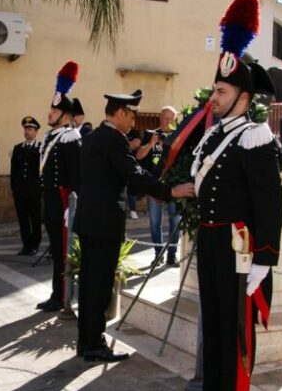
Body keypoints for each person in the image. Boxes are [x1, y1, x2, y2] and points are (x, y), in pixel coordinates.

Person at [180, 0, 282, 391]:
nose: (214, 98)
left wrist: (264, 258)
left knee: (236, 325)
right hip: (211, 238)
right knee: (215, 320)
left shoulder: (255, 137)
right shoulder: (215, 135)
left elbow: (270, 203)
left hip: (241, 246)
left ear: (243, 96)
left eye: (221, 92)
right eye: (215, 90)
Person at [74, 90, 195, 363]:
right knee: (100, 286)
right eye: (131, 116)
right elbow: (134, 174)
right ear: (119, 113)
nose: (133, 122)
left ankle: (86, 341)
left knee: (89, 285)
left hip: (90, 221)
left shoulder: (92, 138)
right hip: (104, 224)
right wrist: (170, 191)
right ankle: (94, 345)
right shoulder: (114, 140)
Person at [38, 61, 82, 313]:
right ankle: (56, 292)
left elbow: (76, 176)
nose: (50, 113)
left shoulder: (69, 138)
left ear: (65, 116)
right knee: (55, 249)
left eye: (55, 111)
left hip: (63, 199)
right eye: (51, 110)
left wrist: (72, 206)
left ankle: (63, 294)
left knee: (62, 248)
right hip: (50, 198)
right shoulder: (52, 136)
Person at [136, 106, 182, 266]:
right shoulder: (150, 134)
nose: (166, 121)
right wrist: (151, 144)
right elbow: (139, 155)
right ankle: (158, 254)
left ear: (174, 119)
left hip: (174, 186)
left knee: (175, 222)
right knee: (155, 222)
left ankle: (172, 255)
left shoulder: (180, 135)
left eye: (169, 119)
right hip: (154, 185)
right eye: (163, 118)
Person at [10, 117, 42, 256]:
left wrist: (40, 189)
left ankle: (34, 245)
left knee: (35, 219)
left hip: (34, 191)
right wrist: (14, 188)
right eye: (26, 129)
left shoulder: (40, 148)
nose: (27, 132)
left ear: (36, 131)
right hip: (20, 191)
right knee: (23, 220)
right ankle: (26, 245)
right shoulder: (18, 148)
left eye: (30, 129)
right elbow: (14, 170)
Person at [126, 129, 142, 220]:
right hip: (119, 163)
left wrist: (123, 144)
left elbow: (136, 144)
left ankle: (133, 210)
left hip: (133, 163)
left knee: (132, 188)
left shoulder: (134, 132)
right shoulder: (117, 131)